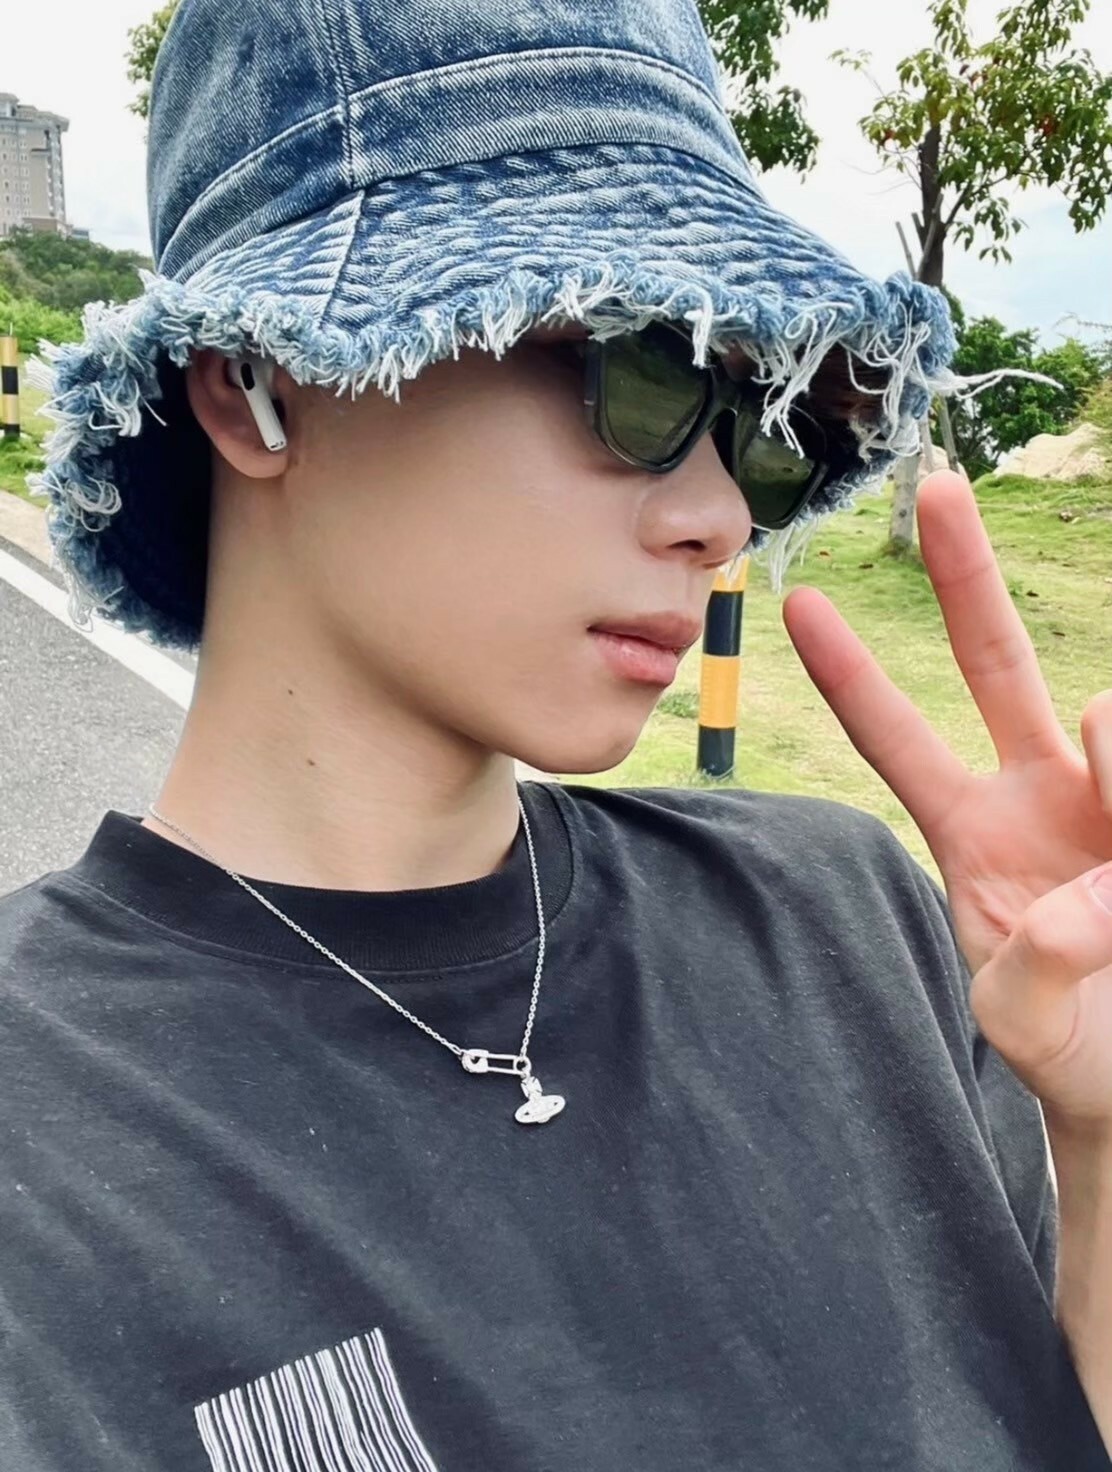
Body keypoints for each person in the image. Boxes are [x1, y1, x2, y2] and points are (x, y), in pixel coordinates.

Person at [3, 1, 1110, 1469]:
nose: (718, 515)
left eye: (758, 422)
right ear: (256, 388)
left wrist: (1103, 1151)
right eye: (639, 374)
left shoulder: (851, 921)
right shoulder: (41, 1131)